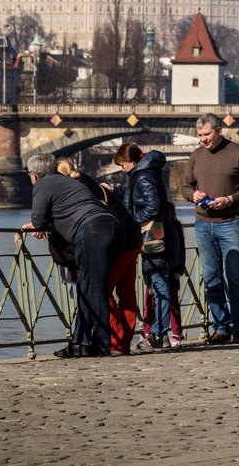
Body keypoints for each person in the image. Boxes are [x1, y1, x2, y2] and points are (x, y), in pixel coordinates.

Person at [22, 152, 124, 358]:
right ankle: (80, 343)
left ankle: (102, 344)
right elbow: (67, 209)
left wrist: (36, 226)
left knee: (94, 289)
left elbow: (39, 220)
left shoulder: (43, 184)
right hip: (112, 227)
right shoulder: (68, 182)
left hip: (92, 230)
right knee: (87, 288)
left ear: (33, 175)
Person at [180, 113, 239, 344]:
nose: (203, 139)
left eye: (207, 135)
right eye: (200, 136)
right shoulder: (196, 156)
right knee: (210, 277)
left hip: (231, 223)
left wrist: (230, 199)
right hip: (203, 224)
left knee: (235, 277)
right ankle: (220, 328)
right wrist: (192, 195)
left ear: (218, 130)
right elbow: (186, 187)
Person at [56, 158, 141, 356]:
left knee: (99, 290)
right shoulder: (87, 181)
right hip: (133, 237)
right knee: (126, 294)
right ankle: (123, 342)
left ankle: (115, 341)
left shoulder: (72, 189)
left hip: (117, 241)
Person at [115, 143, 184, 349]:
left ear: (132, 161)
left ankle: (157, 334)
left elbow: (152, 207)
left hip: (154, 238)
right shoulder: (144, 174)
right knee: (158, 286)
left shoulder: (144, 176)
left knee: (160, 287)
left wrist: (132, 221)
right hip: (157, 236)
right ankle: (159, 334)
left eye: (123, 164)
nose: (122, 168)